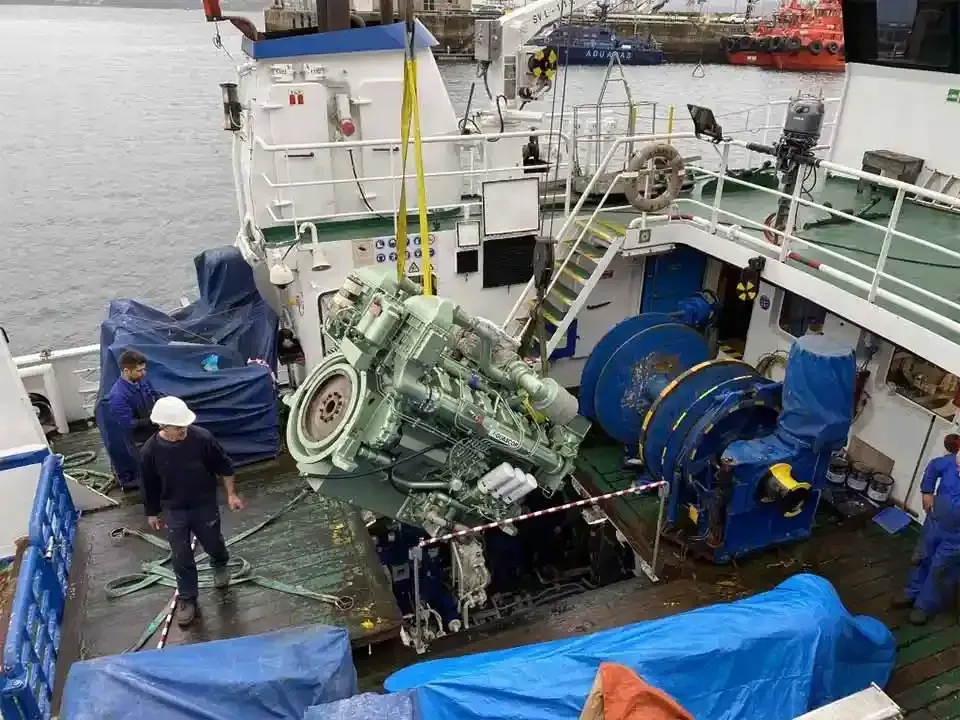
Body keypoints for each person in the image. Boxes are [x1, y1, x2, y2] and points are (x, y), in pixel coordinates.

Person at [140, 396, 246, 627]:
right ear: (163, 427)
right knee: (180, 555)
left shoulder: (202, 438)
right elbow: (149, 485)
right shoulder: (150, 451)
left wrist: (231, 494)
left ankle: (219, 563)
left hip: (204, 504)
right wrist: (152, 512)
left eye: (185, 425)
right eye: (178, 427)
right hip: (174, 509)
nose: (183, 431)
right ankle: (188, 598)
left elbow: (224, 466)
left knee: (213, 541)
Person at [895, 433, 960, 625]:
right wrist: (927, 492)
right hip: (934, 525)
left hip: (957, 539)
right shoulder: (948, 463)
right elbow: (932, 468)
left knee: (942, 569)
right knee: (922, 557)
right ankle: (911, 592)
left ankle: (925, 605)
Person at [107, 350, 161, 492]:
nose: (143, 373)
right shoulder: (118, 396)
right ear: (126, 371)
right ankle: (151, 505)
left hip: (155, 432)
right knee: (148, 473)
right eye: (139, 370)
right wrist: (152, 420)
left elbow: (154, 393)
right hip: (139, 441)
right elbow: (127, 423)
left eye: (144, 369)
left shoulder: (142, 378)